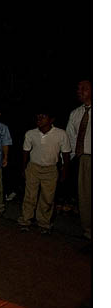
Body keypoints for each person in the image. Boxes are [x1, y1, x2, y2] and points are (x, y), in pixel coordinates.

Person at [18, 109, 71, 234]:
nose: (39, 119)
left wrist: (65, 170)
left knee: (47, 197)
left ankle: (44, 223)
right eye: (38, 116)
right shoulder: (31, 133)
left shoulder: (61, 134)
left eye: (43, 116)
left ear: (51, 120)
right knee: (30, 195)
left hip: (50, 169)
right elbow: (25, 151)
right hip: (33, 167)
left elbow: (66, 153)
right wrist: (23, 168)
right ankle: (26, 220)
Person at [66, 80, 92, 240]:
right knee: (86, 197)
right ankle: (90, 234)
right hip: (85, 159)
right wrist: (68, 161)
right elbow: (71, 137)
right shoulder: (76, 113)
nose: (80, 91)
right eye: (78, 88)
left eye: (84, 89)